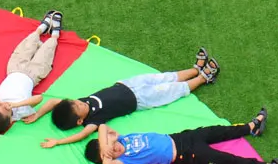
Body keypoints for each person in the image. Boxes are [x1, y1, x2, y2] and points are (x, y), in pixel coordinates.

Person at [45, 109, 278, 164]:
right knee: (229, 161)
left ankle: (250, 128)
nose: (114, 148)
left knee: (217, 131)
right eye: (108, 152)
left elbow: (101, 127)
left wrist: (106, 141)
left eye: (110, 145)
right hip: (186, 154)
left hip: (181, 137)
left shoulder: (117, 138)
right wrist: (107, 153)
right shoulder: (122, 161)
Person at [31, 48, 218, 130]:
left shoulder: (79, 104)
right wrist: (58, 141)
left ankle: (194, 69)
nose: (78, 101)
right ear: (80, 120)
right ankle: (203, 78)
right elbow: (82, 135)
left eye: (75, 101)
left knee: (162, 77)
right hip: (140, 99)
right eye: (78, 106)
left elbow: (54, 102)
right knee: (169, 90)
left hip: (127, 84)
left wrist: (38, 114)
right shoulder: (93, 120)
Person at [0, 10, 63, 134]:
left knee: (27, 45)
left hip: (14, 68)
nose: (3, 105)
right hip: (33, 75)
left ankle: (42, 28)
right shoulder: (20, 112)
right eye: (5, 109)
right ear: (10, 119)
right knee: (46, 52)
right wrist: (15, 105)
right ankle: (55, 35)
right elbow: (38, 98)